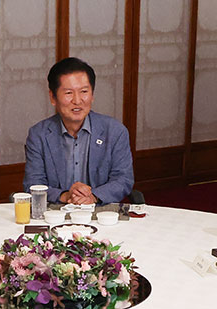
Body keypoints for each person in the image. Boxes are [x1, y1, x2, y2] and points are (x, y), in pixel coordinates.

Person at [23, 57, 135, 205]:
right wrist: (65, 195)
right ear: (53, 97)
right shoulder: (39, 135)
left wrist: (92, 197)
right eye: (68, 93)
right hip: (57, 214)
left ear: (92, 95)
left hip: (101, 212)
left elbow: (123, 180)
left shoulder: (114, 131)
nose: (77, 100)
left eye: (84, 91)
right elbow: (33, 184)